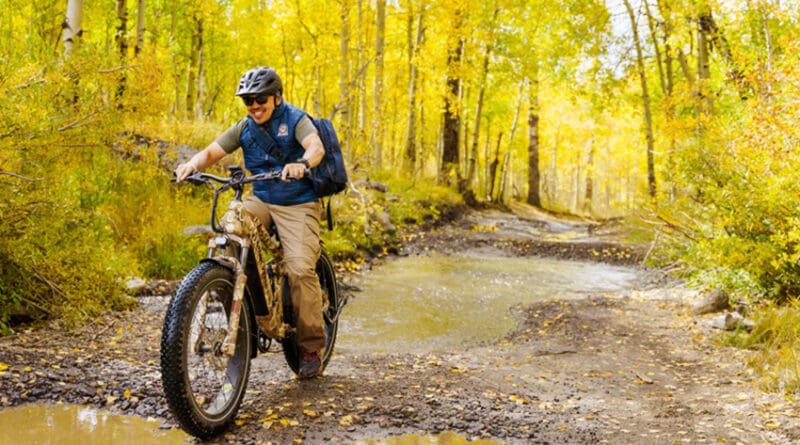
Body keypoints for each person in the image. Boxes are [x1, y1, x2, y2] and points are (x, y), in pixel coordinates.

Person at [175, 66, 326, 379]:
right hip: (262, 199)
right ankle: (243, 306)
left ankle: (311, 346)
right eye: (248, 101)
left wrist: (301, 164)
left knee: (298, 268)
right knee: (232, 224)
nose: (254, 106)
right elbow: (211, 152)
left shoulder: (295, 119)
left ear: (276, 97)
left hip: (298, 202)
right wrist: (191, 164)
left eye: (260, 99)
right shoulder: (244, 127)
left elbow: (316, 147)